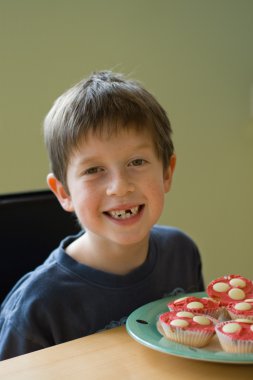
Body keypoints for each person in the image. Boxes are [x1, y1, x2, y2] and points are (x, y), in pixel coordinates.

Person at [0, 71, 204, 360]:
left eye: (137, 161)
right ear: (63, 192)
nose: (120, 186)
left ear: (167, 172)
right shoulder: (36, 306)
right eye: (94, 170)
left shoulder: (182, 254)